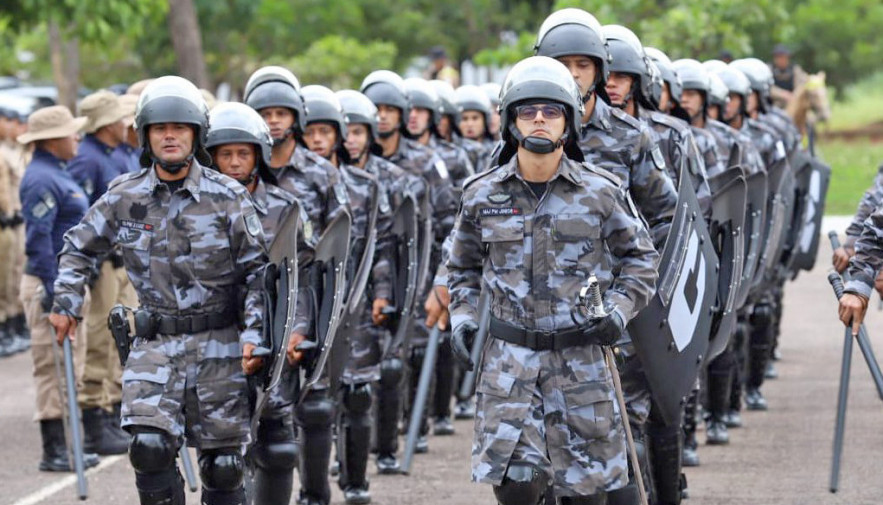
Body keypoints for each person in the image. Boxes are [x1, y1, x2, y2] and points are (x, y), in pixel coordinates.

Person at [447, 55, 659, 505]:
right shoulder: (482, 195)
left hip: (581, 364)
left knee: (586, 494)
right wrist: (463, 318)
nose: (539, 120)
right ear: (510, 122)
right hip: (510, 366)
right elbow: (461, 266)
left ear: (569, 123)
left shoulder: (600, 192)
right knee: (518, 484)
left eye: (552, 111)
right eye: (528, 111)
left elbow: (641, 259)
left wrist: (619, 312)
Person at [50, 76, 268, 505]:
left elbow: (259, 274)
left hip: (220, 345)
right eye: (159, 128)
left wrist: (256, 336)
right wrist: (66, 302)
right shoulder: (124, 197)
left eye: (179, 128)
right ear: (146, 136)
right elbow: (78, 246)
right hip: (154, 343)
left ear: (196, 135)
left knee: (223, 467)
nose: (169, 136)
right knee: (148, 449)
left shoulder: (228, 197)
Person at [204, 101, 308, 505]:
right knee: (223, 457)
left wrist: (297, 328)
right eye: (224, 154)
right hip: (214, 340)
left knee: (278, 445)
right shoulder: (195, 206)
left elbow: (303, 278)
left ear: (258, 156)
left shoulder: (286, 208)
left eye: (242, 154)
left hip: (270, 337)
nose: (232, 163)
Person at [360, 69, 457, 459]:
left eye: (390, 110)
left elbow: (450, 219)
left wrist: (440, 274)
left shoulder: (427, 161)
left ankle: (413, 423)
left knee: (412, 353)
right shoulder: (356, 161)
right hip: (366, 274)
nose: (382, 117)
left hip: (417, 270)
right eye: (375, 110)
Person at [336, 88, 429, 475]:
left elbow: (406, 239)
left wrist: (399, 293)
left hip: (385, 283)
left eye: (358, 132)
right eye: (346, 132)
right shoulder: (328, 178)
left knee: (388, 369)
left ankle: (387, 448)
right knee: (336, 383)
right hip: (338, 290)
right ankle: (345, 458)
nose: (351, 139)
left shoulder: (394, 178)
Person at [18, 105, 101, 472]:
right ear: (52, 140)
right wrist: (56, 292)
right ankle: (55, 451)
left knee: (72, 367)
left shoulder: (57, 173)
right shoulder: (40, 178)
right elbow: (38, 241)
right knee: (53, 368)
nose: (77, 139)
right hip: (49, 284)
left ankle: (70, 445)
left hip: (67, 283)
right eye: (71, 133)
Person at [67, 90, 139, 456]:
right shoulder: (87, 159)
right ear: (108, 124)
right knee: (99, 338)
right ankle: (95, 418)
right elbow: (78, 216)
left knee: (119, 337)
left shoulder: (113, 154)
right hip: (101, 263)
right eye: (119, 119)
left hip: (120, 261)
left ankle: (111, 411)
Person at [769, 44, 808, 110]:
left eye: (784, 57)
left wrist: (795, 95)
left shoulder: (795, 69)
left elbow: (803, 82)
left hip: (793, 102)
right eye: (779, 57)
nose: (782, 60)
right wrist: (783, 94)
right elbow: (767, 87)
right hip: (773, 104)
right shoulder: (769, 69)